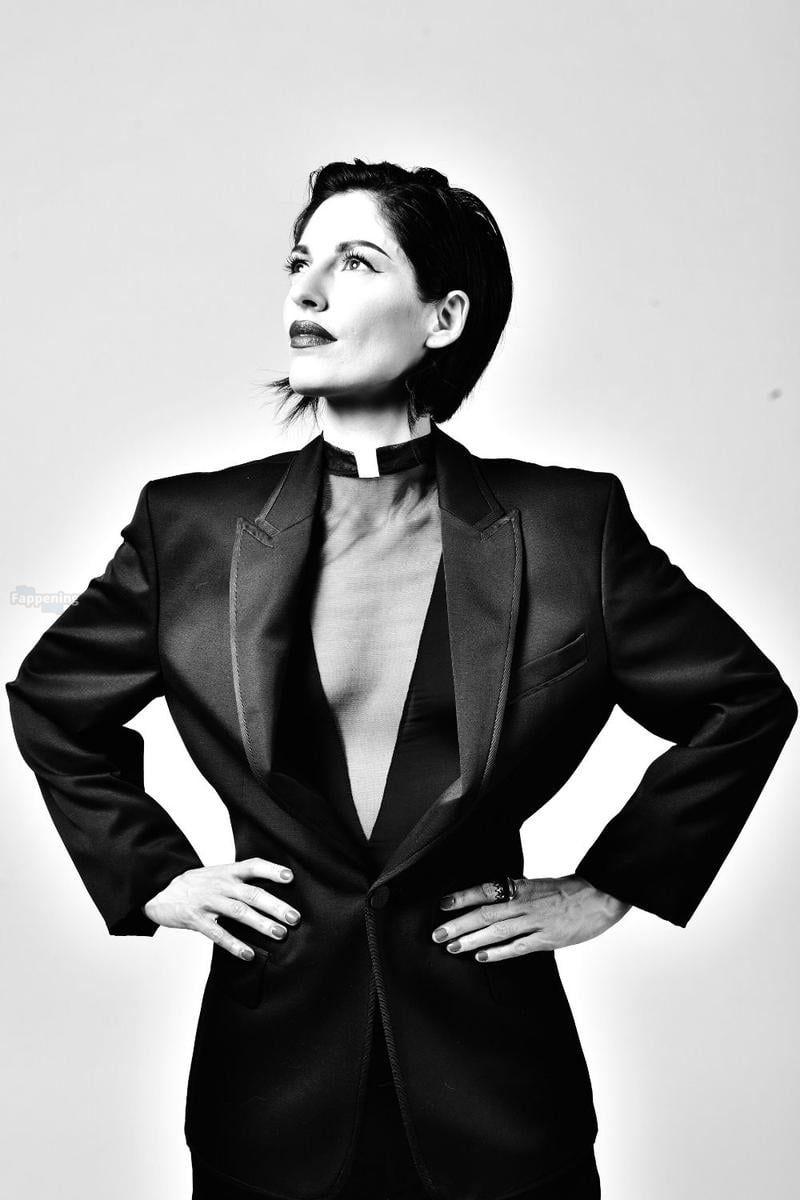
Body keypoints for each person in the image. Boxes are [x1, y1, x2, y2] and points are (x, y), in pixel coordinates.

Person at [6, 158, 796, 1200]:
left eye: (354, 262)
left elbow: (741, 701)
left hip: (501, 1090)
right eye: (298, 262)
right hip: (266, 1092)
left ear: (443, 316)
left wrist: (611, 885)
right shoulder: (187, 527)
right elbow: (53, 701)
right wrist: (150, 876)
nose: (305, 289)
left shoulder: (569, 527)